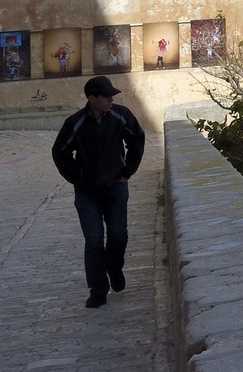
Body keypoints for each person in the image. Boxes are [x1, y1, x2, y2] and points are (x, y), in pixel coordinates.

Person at [52, 75, 145, 309]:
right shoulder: (76, 123)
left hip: (115, 187)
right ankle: (97, 289)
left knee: (118, 235)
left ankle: (114, 268)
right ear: (92, 98)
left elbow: (137, 139)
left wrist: (128, 171)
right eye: (106, 97)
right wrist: (78, 178)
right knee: (93, 240)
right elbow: (60, 152)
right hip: (87, 194)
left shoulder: (120, 115)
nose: (111, 100)